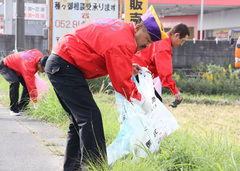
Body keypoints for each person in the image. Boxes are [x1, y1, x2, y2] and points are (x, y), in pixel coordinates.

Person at [45, 5, 168, 171]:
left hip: (62, 64)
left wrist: (127, 65)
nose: (146, 46)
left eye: (150, 43)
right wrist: (143, 101)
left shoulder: (121, 29)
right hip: (65, 66)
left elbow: (105, 51)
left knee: (79, 121)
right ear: (138, 28)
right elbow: (121, 82)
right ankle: (97, 167)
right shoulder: (123, 41)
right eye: (147, 40)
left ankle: (73, 168)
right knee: (90, 116)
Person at [133, 23, 190, 102]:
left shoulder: (162, 39)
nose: (181, 44)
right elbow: (165, 72)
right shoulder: (163, 46)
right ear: (176, 35)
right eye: (182, 41)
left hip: (137, 70)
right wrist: (175, 91)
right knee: (155, 102)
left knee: (149, 102)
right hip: (137, 71)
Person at [0, 49, 48, 116]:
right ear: (39, 64)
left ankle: (22, 107)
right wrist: (35, 102)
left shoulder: (39, 54)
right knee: (15, 82)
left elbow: (32, 51)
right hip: (6, 65)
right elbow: (31, 86)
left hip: (19, 69)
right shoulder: (29, 67)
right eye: (43, 69)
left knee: (26, 85)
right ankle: (13, 109)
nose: (43, 72)